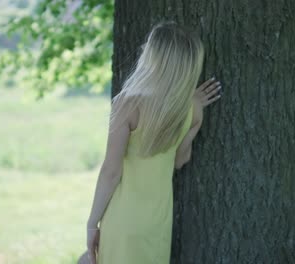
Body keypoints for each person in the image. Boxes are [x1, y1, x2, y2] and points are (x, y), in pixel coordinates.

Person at [78, 21, 222, 264]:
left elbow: (111, 172)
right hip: (157, 223)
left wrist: (92, 223)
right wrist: (193, 106)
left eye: (149, 46)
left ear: (155, 58)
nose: (143, 47)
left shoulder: (128, 104)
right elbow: (180, 160)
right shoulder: (193, 109)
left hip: (123, 218)